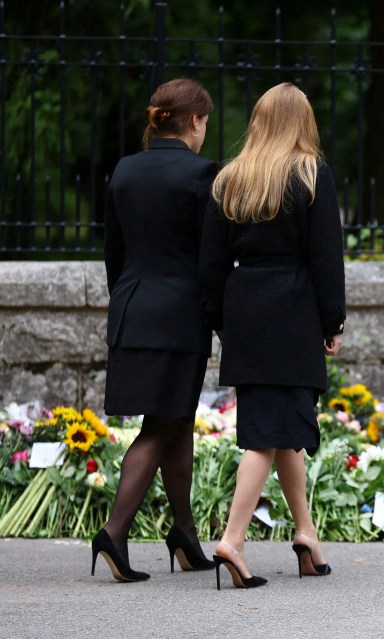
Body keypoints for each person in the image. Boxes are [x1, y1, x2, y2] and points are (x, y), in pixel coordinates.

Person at [199, 83, 346, 590]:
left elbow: (211, 263)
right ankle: (233, 541)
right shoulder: (310, 172)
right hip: (294, 309)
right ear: (302, 121)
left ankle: (306, 534)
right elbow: (326, 257)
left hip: (246, 308)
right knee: (265, 433)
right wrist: (334, 322)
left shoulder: (231, 178)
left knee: (282, 428)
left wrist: (221, 320)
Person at [94, 78, 218, 582]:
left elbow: (113, 255)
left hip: (131, 310)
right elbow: (210, 262)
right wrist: (220, 317)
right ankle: (114, 531)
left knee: (177, 418)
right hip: (179, 316)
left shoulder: (125, 170)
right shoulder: (203, 174)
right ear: (193, 121)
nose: (206, 130)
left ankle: (184, 533)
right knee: (162, 425)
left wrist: (127, 301)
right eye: (206, 121)